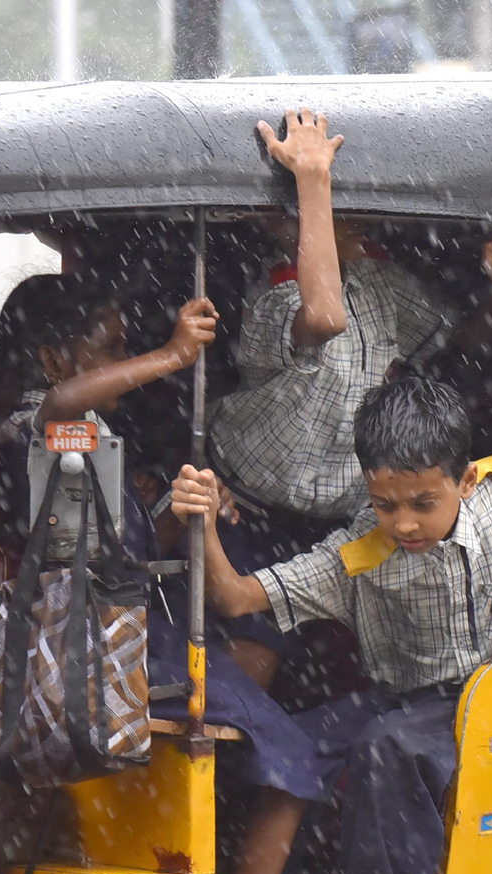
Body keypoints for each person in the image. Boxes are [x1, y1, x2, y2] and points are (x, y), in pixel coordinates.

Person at [0, 273, 325, 874]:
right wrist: (173, 357)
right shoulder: (36, 429)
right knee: (294, 754)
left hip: (123, 633)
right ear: (53, 360)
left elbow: (115, 546)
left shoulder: (89, 439)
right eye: (110, 348)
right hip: (111, 649)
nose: (122, 365)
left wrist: (194, 509)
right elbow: (61, 409)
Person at [172, 377, 492, 874]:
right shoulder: (357, 554)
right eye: (385, 505)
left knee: (387, 746)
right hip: (401, 697)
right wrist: (206, 523)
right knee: (289, 744)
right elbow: (234, 598)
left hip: (490, 694)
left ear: (464, 482)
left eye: (423, 503)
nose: (405, 524)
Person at [204, 108, 452, 686]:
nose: (358, 222)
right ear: (282, 225)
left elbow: (448, 335)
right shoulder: (273, 298)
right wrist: (314, 181)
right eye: (341, 213)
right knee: (252, 665)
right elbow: (324, 315)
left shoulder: (378, 285)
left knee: (361, 671)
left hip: (354, 519)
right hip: (253, 511)